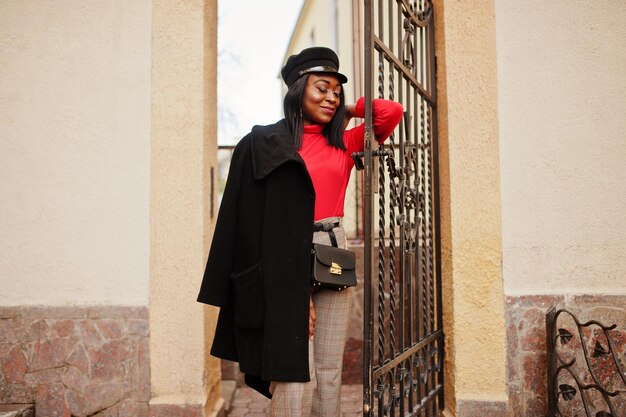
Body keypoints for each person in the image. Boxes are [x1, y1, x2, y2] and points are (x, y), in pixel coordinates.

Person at [197, 46, 403, 417]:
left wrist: (347, 109)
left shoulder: (345, 144)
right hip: (283, 258)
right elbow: (249, 216)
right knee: (293, 369)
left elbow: (392, 113)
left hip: (332, 257)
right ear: (296, 90)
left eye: (336, 92)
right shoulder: (269, 145)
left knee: (327, 371)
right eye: (320, 88)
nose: (330, 98)